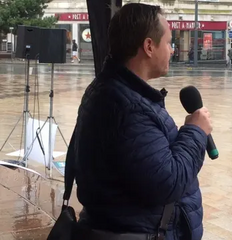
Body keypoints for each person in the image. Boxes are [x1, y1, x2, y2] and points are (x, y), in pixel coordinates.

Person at [70, 3, 212, 240]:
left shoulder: (113, 90)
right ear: (148, 46)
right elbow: (168, 182)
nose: (172, 50)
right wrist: (196, 131)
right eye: (168, 43)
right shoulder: (128, 108)